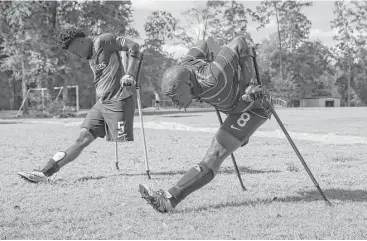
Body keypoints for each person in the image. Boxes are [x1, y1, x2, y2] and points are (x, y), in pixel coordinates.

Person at [138, 36, 272, 213]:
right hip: (234, 108)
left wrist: (249, 84)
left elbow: (239, 41)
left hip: (253, 107)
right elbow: (204, 43)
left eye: (175, 96)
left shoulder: (212, 77)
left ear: (187, 83)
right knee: (215, 152)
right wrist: (213, 53)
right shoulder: (186, 64)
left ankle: (169, 200)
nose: (174, 102)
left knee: (215, 154)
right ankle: (169, 200)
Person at [17, 27, 141, 183]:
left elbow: (134, 46)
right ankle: (44, 173)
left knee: (119, 139)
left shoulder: (104, 40)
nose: (76, 56)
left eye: (75, 51)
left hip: (119, 100)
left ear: (81, 41)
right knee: (82, 137)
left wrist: (129, 74)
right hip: (102, 102)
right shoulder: (90, 56)